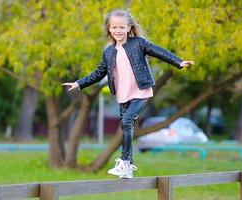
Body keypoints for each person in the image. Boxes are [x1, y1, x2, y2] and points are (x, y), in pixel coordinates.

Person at [62, 9, 194, 179]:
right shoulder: (108, 51)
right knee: (126, 127)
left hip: (141, 90)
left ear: (129, 27)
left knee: (126, 121)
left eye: (121, 27)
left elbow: (158, 51)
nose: (117, 31)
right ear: (109, 29)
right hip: (122, 93)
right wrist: (79, 83)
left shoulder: (139, 43)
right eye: (114, 27)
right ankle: (128, 167)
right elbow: (99, 73)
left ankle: (125, 161)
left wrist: (178, 61)